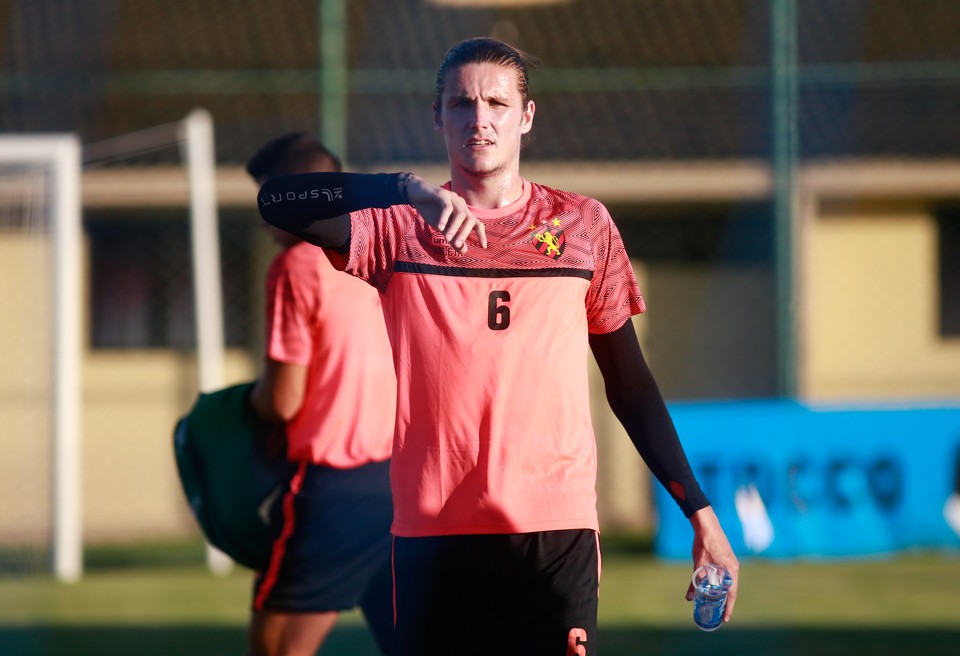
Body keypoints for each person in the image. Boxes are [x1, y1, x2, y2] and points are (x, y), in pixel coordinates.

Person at [257, 37, 739, 656]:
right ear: (437, 117)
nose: (478, 119)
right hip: (432, 534)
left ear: (526, 116)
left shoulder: (583, 226)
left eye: (496, 102)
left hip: (553, 532)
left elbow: (630, 384)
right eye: (460, 104)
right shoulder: (399, 230)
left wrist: (699, 512)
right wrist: (407, 189)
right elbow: (279, 202)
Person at [244, 133, 397, 656]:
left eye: (270, 197)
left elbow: (283, 400)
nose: (264, 216)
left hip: (334, 491)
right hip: (403, 484)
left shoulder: (294, 266)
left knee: (278, 648)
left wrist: (245, 405)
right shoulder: (381, 253)